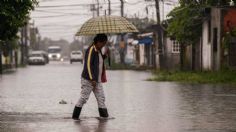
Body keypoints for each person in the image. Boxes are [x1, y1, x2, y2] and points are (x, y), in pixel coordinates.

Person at [72, 34, 109, 120]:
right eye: (103, 43)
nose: (104, 45)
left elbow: (98, 61)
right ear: (98, 42)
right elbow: (88, 65)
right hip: (89, 79)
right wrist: (92, 78)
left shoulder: (98, 50)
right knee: (84, 98)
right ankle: (75, 118)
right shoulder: (91, 50)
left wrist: (105, 56)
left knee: (101, 98)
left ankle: (104, 119)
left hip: (97, 80)